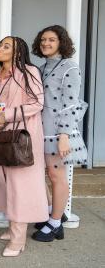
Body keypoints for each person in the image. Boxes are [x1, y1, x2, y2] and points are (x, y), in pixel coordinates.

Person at [0, 36, 47, 257]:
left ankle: (18, 238)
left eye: (6, 46)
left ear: (17, 52)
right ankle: (13, 224)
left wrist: (8, 116)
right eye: (0, 45)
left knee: (20, 184)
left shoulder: (29, 72)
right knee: (3, 181)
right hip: (1, 133)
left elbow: (37, 102)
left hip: (22, 135)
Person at [31, 25, 88, 242]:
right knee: (46, 175)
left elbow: (71, 103)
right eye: (43, 39)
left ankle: (55, 223)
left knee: (57, 176)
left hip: (58, 132)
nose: (46, 43)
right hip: (42, 130)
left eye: (52, 40)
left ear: (61, 42)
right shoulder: (42, 67)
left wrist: (64, 135)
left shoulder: (70, 68)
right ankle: (54, 214)